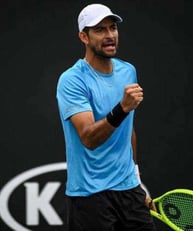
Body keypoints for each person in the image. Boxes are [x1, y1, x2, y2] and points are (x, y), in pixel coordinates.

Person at [56, 3, 156, 231]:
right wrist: (121, 108)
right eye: (100, 30)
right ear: (84, 36)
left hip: (129, 191)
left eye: (112, 28)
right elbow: (89, 138)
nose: (110, 35)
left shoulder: (128, 71)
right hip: (90, 196)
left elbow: (127, 129)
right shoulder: (72, 80)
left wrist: (137, 180)